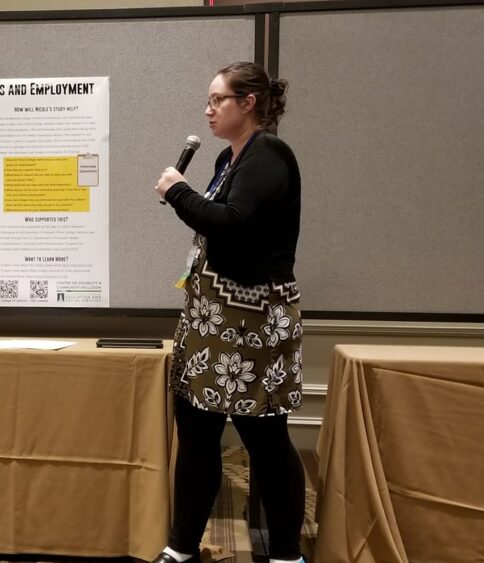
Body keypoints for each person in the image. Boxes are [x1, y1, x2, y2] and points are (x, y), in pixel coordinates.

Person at [152, 62, 306, 563]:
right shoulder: (227, 156)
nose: (208, 108)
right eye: (210, 99)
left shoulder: (269, 154)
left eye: (218, 99)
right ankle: (180, 548)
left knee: (265, 440)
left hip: (252, 323)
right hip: (213, 319)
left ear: (249, 104)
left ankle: (285, 553)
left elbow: (232, 223)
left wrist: (177, 190)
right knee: (196, 435)